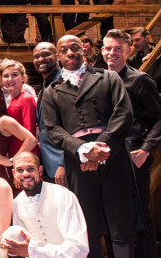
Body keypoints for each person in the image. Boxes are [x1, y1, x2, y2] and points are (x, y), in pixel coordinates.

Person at [41, 34, 134, 257]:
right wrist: (84, 151)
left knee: (120, 222)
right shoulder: (51, 90)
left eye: (75, 48)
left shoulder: (109, 77)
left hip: (113, 153)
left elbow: (124, 113)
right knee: (87, 223)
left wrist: (99, 149)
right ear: (58, 56)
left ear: (84, 50)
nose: (70, 53)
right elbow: (53, 129)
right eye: (64, 50)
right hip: (78, 160)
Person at [101, 29, 161, 257]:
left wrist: (145, 150)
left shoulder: (140, 80)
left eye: (117, 48)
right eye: (108, 48)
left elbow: (159, 118)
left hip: (133, 152)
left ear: (128, 50)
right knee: (109, 213)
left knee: (140, 215)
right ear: (102, 51)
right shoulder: (97, 80)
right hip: (106, 155)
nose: (112, 53)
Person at [0, 152, 89, 258]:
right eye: (20, 170)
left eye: (30, 169)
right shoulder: (16, 203)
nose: (25, 174)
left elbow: (79, 249)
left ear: (40, 170)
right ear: (14, 173)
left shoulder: (62, 196)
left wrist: (34, 252)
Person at [32, 42, 65, 185]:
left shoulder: (64, 82)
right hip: (49, 161)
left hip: (62, 163)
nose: (40, 59)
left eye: (45, 54)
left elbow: (71, 125)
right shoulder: (45, 85)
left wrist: (63, 164)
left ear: (57, 56)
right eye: (36, 56)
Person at [0, 59, 38, 157]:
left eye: (15, 75)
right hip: (15, 151)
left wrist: (16, 159)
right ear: (2, 80)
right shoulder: (11, 100)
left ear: (23, 78)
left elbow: (31, 133)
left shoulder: (26, 98)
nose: (10, 79)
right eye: (6, 76)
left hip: (26, 154)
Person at [127, 27, 161, 91]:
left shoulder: (159, 55)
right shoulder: (131, 60)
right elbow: (131, 82)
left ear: (147, 38)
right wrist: (142, 64)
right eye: (132, 41)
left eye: (137, 40)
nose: (134, 43)